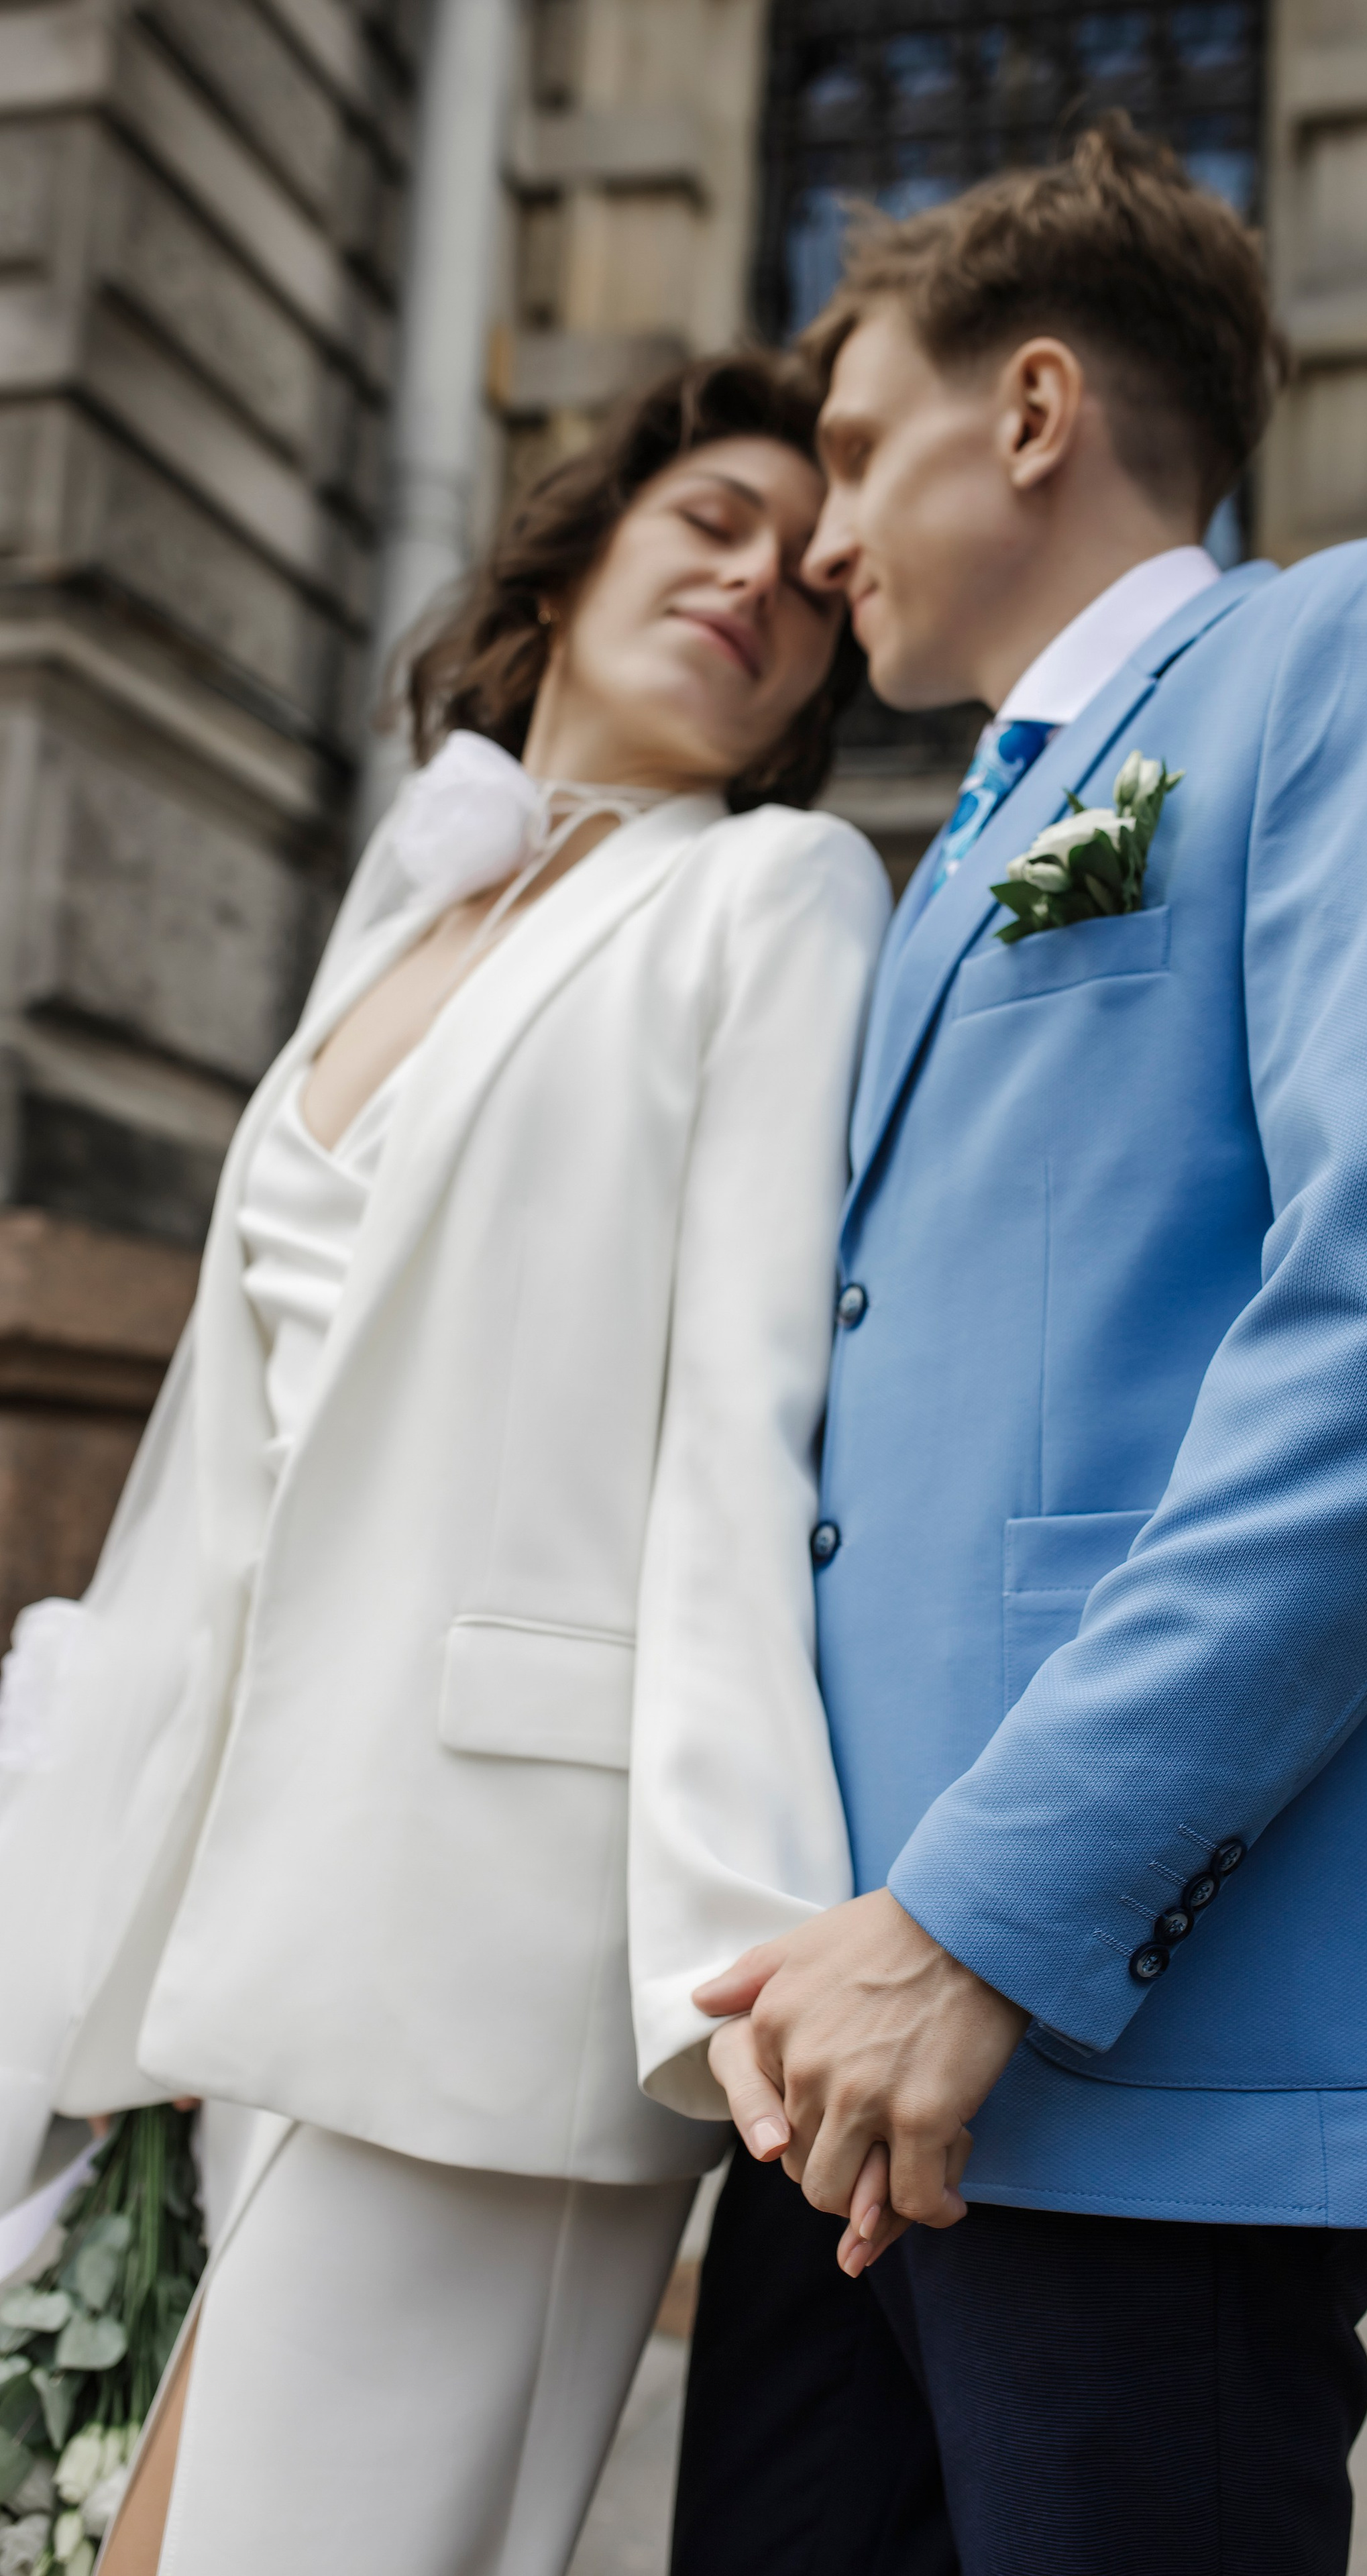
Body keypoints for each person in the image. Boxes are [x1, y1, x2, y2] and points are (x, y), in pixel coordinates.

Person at [674, 123, 1367, 2576]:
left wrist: (987, 1921)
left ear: (1042, 406)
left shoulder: (1349, 642)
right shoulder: (926, 861)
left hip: (1113, 2038)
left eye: (859, 450)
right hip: (825, 2070)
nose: (821, 535)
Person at [0, 353, 891, 2576]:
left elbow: (742, 1435)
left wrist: (738, 1974)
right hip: (225, 1923)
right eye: (709, 518)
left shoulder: (772, 896)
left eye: (806, 573)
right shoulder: (411, 909)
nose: (757, 578)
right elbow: (236, 1460)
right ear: (579, 549)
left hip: (489, 1931)